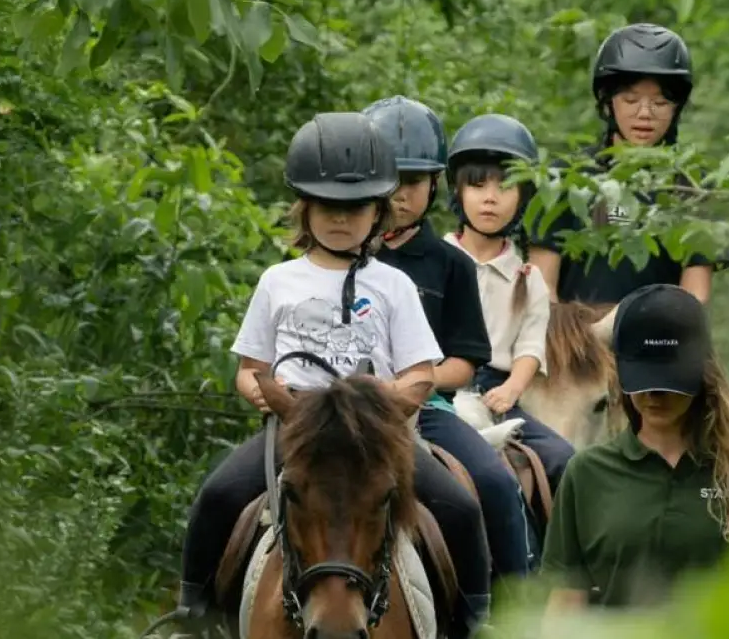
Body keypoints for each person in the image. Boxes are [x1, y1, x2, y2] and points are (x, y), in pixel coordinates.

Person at [177, 112, 494, 637]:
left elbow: (420, 376)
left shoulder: (393, 286)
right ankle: (191, 613)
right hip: (297, 433)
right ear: (305, 206)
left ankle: (476, 618)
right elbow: (248, 370)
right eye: (327, 206)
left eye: (354, 207)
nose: (340, 219)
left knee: (459, 505)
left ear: (378, 211)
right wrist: (263, 394)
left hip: (379, 439)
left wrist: (373, 400)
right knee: (216, 494)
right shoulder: (277, 281)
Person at [540, 284, 729, 627]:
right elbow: (567, 602)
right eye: (643, 379)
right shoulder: (586, 474)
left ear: (704, 371)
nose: (655, 394)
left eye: (669, 382)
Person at [363, 95, 538, 583]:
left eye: (414, 181)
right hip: (339, 410)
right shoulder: (341, 254)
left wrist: (409, 385)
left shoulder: (451, 264)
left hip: (429, 413)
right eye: (390, 179)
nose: (400, 194)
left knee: (495, 483)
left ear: (436, 184)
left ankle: (505, 609)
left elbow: (464, 366)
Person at [527, 23, 729, 306]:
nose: (645, 113)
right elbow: (542, 288)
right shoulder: (565, 178)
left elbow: (694, 296)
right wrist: (576, 340)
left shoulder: (695, 184)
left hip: (659, 341)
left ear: (677, 108)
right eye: (631, 99)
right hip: (574, 341)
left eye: (660, 102)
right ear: (608, 103)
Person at [441, 113, 577, 491]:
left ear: (523, 198)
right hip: (438, 393)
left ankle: (550, 550)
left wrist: (513, 389)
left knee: (565, 461)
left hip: (498, 396)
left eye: (505, 187)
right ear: (458, 192)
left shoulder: (528, 278)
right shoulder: (436, 263)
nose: (490, 197)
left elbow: (530, 346)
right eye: (477, 185)